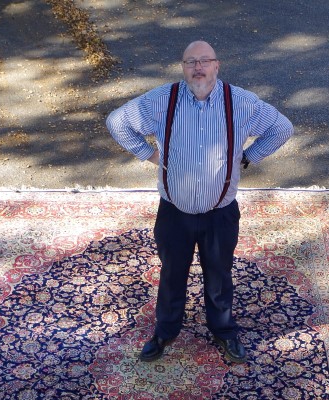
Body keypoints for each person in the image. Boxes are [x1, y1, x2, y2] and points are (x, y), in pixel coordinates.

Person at [106, 40, 294, 363]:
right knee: (171, 274)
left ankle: (223, 332)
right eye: (191, 62)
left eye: (205, 61)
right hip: (174, 213)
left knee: (219, 275)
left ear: (217, 66)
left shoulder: (242, 104)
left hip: (220, 214)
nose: (198, 68)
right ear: (183, 68)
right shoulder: (162, 101)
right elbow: (117, 122)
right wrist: (150, 155)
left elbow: (282, 128)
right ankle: (165, 332)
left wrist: (248, 157)